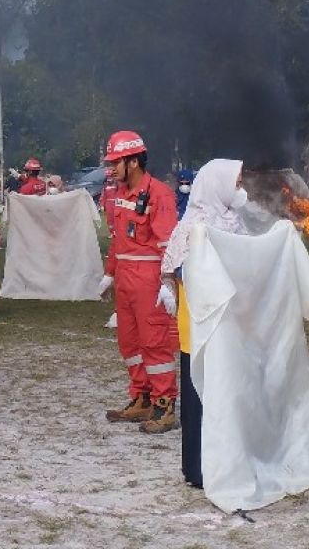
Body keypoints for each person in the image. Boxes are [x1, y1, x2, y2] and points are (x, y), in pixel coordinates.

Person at [160, 159, 248, 486]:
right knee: (197, 400)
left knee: (226, 398)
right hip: (197, 331)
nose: (240, 189)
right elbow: (175, 268)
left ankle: (226, 463)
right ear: (217, 184)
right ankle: (197, 469)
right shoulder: (191, 226)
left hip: (228, 329)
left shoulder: (235, 223)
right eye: (236, 182)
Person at [98, 130, 180, 433]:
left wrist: (168, 281)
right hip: (124, 277)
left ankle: (164, 404)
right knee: (129, 342)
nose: (111, 168)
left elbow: (168, 243)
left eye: (116, 162)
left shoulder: (159, 194)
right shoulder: (119, 195)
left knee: (154, 343)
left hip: (148, 279)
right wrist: (109, 274)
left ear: (133, 162)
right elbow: (118, 239)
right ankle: (142, 396)